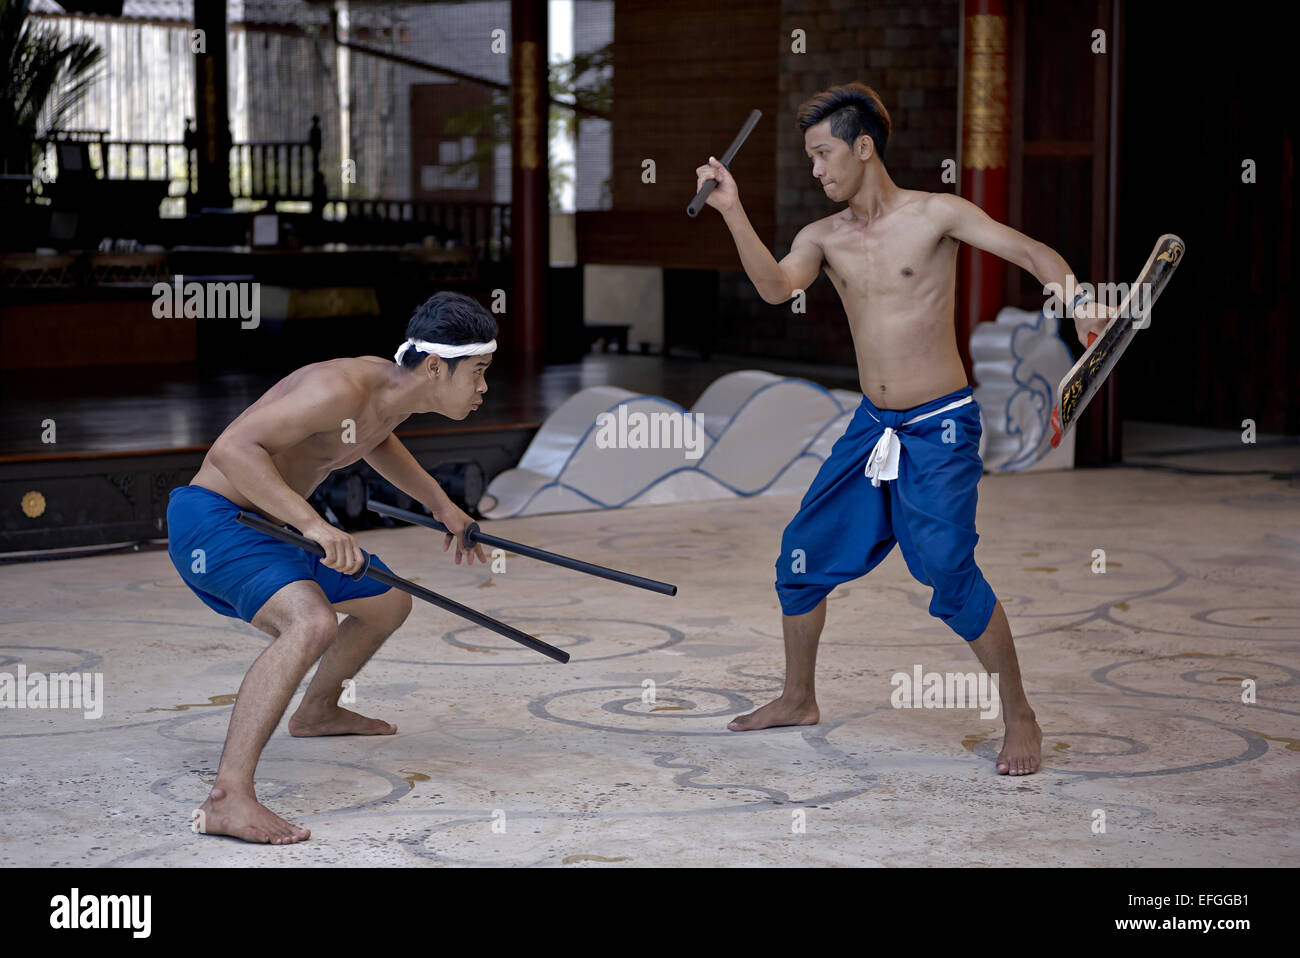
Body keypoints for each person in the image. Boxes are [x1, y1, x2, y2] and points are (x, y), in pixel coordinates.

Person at [695, 82, 1112, 775]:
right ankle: (799, 697)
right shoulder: (821, 237)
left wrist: (1079, 302)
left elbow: (1034, 253)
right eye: (810, 159)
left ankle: (1020, 714)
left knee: (946, 570)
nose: (818, 170)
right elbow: (775, 287)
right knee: (800, 558)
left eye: (825, 154)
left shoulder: (936, 214)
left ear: (864, 147)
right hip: (872, 426)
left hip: (940, 425)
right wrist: (733, 211)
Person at [166, 290, 495, 842]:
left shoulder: (384, 392)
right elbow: (230, 450)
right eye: (480, 371)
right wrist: (316, 526)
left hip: (273, 523)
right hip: (216, 521)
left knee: (389, 601)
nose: (485, 387)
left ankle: (317, 712)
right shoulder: (337, 387)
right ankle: (227, 796)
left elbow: (374, 440)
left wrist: (442, 507)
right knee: (311, 623)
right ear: (436, 366)